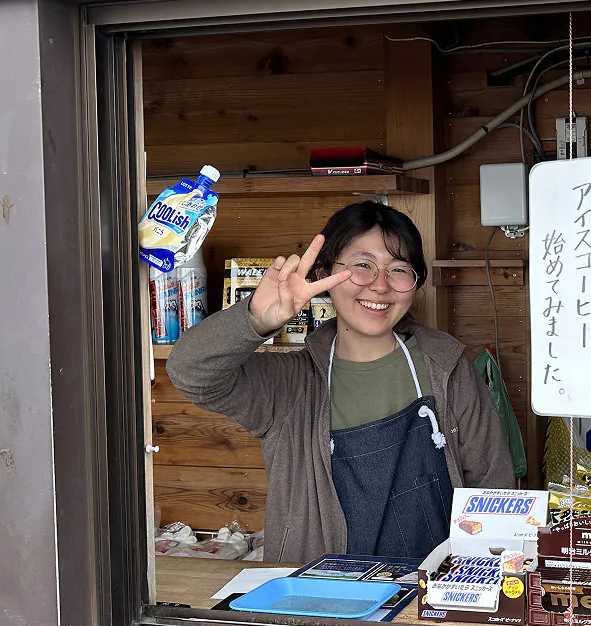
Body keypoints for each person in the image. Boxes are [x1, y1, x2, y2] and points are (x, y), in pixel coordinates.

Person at [168, 201, 513, 563]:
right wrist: (256, 317)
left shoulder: (447, 368)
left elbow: (494, 488)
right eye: (363, 266)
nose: (380, 286)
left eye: (399, 269)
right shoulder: (288, 385)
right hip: (317, 591)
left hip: (432, 588)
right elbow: (190, 371)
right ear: (323, 275)